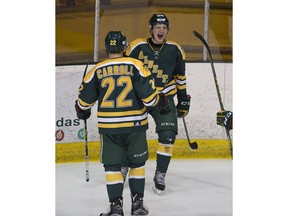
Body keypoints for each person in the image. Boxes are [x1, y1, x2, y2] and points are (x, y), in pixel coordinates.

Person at [75, 31, 169, 216]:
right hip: (135, 124)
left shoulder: (96, 69)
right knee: (137, 164)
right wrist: (161, 101)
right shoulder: (136, 65)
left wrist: (82, 110)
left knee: (112, 167)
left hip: (109, 128)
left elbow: (83, 103)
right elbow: (150, 100)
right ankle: (138, 206)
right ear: (125, 46)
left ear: (106, 48)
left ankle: (116, 208)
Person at [123, 13, 191, 195]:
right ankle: (123, 166)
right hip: (139, 98)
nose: (161, 30)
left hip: (164, 98)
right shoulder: (136, 47)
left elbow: (180, 77)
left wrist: (183, 99)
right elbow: (124, 70)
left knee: (168, 135)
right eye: (157, 27)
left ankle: (160, 174)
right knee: (129, 133)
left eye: (164, 27)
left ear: (167, 30)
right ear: (151, 29)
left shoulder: (175, 50)